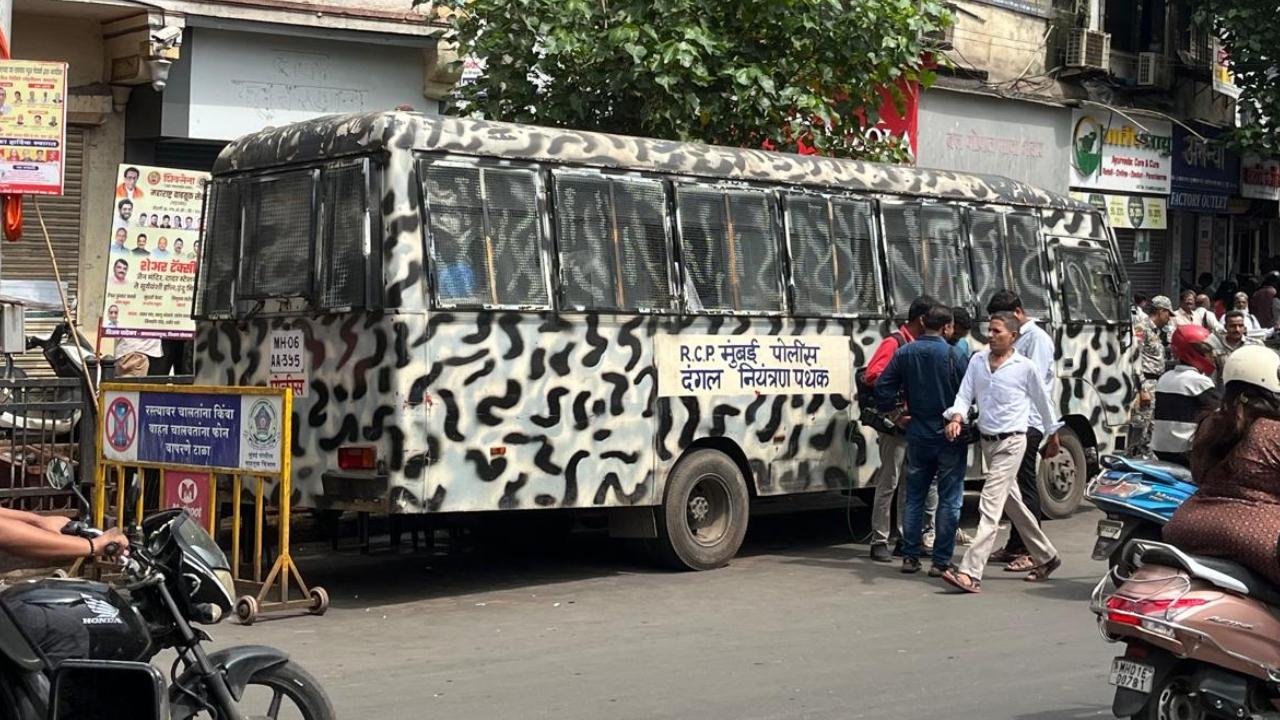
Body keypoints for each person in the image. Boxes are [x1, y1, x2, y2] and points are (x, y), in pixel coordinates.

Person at [941, 312, 1062, 593]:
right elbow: (964, 394)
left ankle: (970, 573)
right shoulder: (978, 361)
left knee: (990, 504)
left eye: (997, 331)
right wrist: (957, 417)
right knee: (1012, 502)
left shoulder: (1025, 367)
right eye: (990, 331)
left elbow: (1043, 403)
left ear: (1013, 337)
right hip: (988, 441)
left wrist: (1052, 434)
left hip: (1013, 441)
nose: (991, 335)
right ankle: (1047, 556)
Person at [1162, 347, 1280, 585]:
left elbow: (1197, 476)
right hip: (1252, 538)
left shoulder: (1210, 424)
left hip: (1184, 528)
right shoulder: (1272, 431)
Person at [874, 305, 967, 577]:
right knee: (949, 499)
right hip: (949, 435)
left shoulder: (904, 352)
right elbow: (971, 390)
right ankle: (940, 562)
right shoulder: (954, 355)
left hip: (917, 434)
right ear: (947, 327)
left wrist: (897, 413)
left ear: (924, 322)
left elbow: (882, 388)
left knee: (913, 497)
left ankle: (910, 556)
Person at [864, 296, 940, 562]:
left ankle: (903, 538)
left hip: (915, 424)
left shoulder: (916, 344)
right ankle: (879, 539)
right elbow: (873, 375)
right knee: (889, 482)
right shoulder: (894, 342)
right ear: (922, 320)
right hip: (895, 425)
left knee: (910, 485)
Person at [985, 290, 1056, 572]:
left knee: (1025, 487)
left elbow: (1031, 382)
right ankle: (1016, 544)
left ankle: (1031, 551)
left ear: (1017, 312)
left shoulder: (1037, 339)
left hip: (1028, 422)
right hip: (1013, 422)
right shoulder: (1020, 338)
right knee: (1012, 489)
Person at [1151, 325, 1220, 467]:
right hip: (1186, 451)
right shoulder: (1198, 381)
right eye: (1208, 351)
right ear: (1196, 352)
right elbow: (1221, 412)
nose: (1212, 356)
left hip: (1160, 449)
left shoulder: (1165, 377)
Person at [1131, 296, 1174, 457]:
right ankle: (1135, 458)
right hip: (1145, 382)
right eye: (1168, 314)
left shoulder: (1156, 331)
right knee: (1141, 425)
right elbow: (1135, 357)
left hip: (1155, 382)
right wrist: (1142, 387)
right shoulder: (1142, 328)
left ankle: (1145, 457)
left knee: (1151, 426)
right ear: (1161, 311)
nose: (1169, 318)